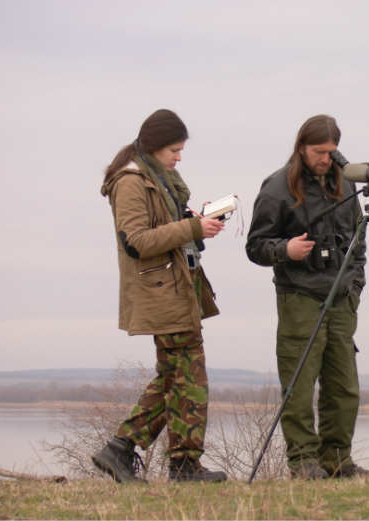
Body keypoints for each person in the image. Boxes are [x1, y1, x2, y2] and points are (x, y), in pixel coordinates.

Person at [93, 108, 227, 483]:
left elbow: (167, 229)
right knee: (188, 378)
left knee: (176, 378)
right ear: (153, 147)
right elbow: (135, 242)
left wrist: (196, 224)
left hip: (177, 289)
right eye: (174, 150)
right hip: (162, 293)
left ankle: (125, 450)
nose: (179, 157)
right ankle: (177, 463)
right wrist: (190, 227)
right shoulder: (132, 182)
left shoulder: (160, 179)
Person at [245, 114, 369, 479]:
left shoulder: (346, 184)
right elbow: (255, 246)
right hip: (300, 296)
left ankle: (337, 460)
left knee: (343, 386)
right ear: (302, 147)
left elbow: (358, 239)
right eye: (319, 151)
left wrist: (355, 285)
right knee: (300, 385)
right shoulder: (277, 188)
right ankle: (303, 462)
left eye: (331, 152)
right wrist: (285, 249)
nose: (325, 159)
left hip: (341, 297)